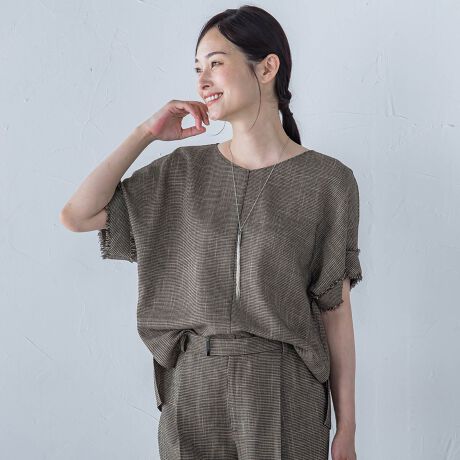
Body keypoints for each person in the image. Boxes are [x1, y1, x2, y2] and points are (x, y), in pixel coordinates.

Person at [60, 5, 363, 460]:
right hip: (193, 386)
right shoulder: (178, 173)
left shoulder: (328, 181)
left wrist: (347, 429)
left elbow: (335, 312)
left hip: (285, 387)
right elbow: (78, 215)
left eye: (215, 63)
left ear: (267, 68)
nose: (202, 80)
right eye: (197, 68)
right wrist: (146, 133)